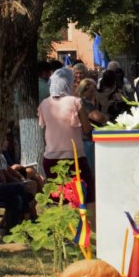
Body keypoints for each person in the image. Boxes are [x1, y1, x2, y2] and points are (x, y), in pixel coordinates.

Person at [38, 68, 94, 198]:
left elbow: (44, 129)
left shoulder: (44, 104)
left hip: (50, 157)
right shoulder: (75, 102)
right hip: (75, 156)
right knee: (87, 194)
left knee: (58, 198)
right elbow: (87, 129)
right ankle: (87, 218)